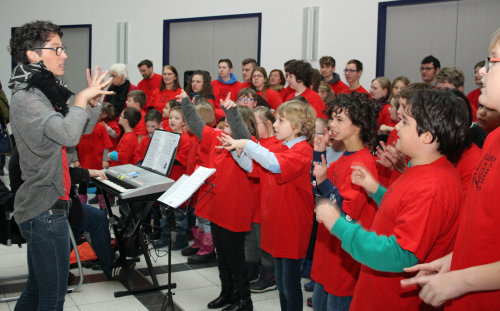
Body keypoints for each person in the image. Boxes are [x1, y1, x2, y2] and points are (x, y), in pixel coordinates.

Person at [315, 89, 469, 310]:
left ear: (427, 136)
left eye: (405, 123)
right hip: (378, 290)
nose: (395, 127)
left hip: (392, 300)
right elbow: (402, 210)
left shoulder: (433, 187)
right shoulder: (421, 168)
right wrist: (375, 191)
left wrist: (338, 224)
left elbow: (400, 254)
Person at [8, 20, 113, 310]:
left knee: (36, 291)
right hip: (44, 211)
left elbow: (81, 128)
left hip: (49, 207)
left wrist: (94, 98)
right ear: (33, 55)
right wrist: (80, 98)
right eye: (56, 49)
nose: (64, 55)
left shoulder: (45, 92)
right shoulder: (27, 98)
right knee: (52, 299)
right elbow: (68, 134)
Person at [401, 28, 500, 310]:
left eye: (492, 62)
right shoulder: (494, 138)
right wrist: (456, 260)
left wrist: (464, 279)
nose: (481, 71)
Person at [218, 100, 316, 311]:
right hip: (277, 224)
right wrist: (237, 150)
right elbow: (254, 167)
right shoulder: (280, 147)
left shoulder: (303, 150)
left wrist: (247, 144)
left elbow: (275, 164)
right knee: (281, 283)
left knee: (290, 286)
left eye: (281, 120)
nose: (276, 125)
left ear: (297, 126)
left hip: (292, 227)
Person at [180, 91, 256, 310]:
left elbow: (241, 133)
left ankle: (244, 299)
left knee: (234, 256)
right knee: (221, 255)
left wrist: (232, 111)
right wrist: (185, 102)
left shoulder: (247, 146)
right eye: (224, 125)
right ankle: (227, 292)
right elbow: (196, 124)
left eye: (229, 126)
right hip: (217, 209)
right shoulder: (217, 138)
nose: (224, 129)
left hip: (234, 211)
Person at [310, 93, 379, 311]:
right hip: (328, 253)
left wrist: (324, 183)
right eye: (332, 118)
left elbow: (348, 214)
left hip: (343, 259)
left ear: (358, 126)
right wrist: (318, 153)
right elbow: (318, 191)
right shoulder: (344, 158)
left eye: (339, 120)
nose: (331, 124)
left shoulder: (362, 164)